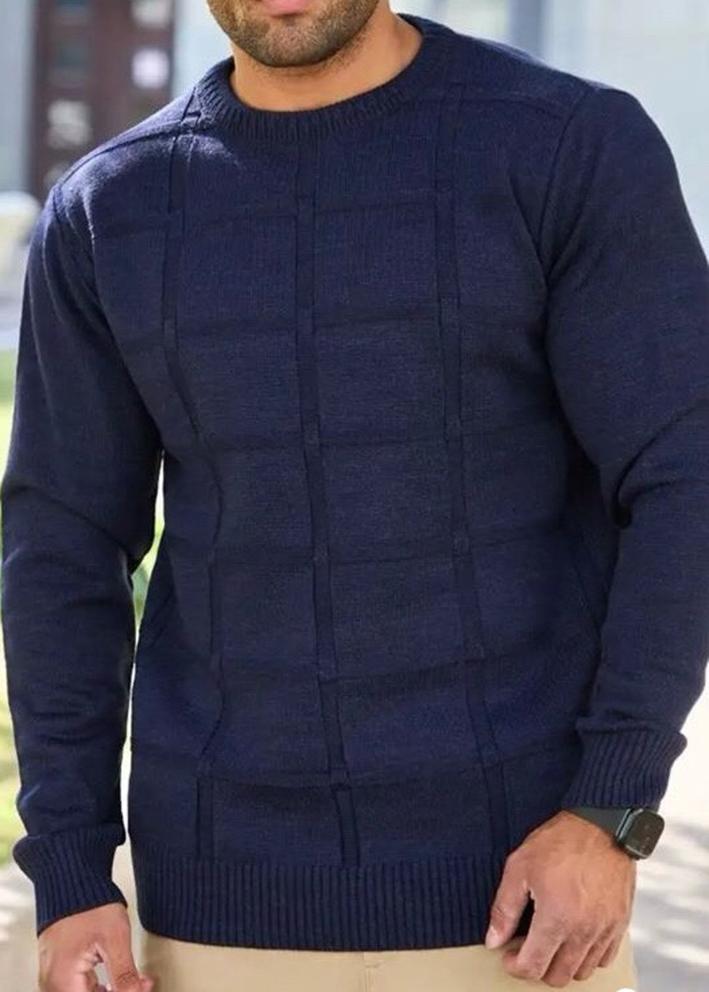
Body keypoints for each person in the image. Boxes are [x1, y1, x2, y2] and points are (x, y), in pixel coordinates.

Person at [2, 1, 708, 989]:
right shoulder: (108, 209)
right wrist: (72, 871)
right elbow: (62, 549)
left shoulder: (565, 146)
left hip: (529, 903)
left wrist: (611, 808)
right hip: (216, 908)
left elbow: (682, 479)